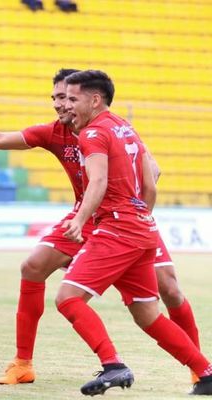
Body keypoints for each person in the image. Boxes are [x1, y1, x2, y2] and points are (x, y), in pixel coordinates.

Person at [0, 68, 203, 386]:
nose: (60, 105)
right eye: (55, 98)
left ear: (88, 101)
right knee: (33, 266)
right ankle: (23, 363)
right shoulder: (54, 133)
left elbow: (152, 173)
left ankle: (198, 367)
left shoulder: (105, 129)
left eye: (66, 98)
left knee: (169, 289)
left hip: (123, 221)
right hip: (89, 219)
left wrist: (140, 214)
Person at [57, 69, 212, 396]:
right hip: (142, 229)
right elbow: (152, 173)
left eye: (74, 98)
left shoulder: (92, 134)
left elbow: (97, 182)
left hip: (116, 228)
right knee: (147, 315)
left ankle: (113, 365)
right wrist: (142, 213)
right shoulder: (125, 126)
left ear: (94, 100)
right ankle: (205, 371)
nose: (67, 105)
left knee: (68, 299)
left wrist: (80, 219)